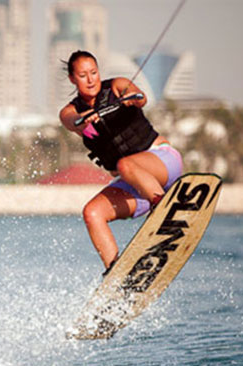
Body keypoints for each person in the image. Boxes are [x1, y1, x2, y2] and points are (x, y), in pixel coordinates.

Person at [59, 50, 184, 274]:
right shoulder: (70, 111)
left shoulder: (117, 85)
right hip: (136, 185)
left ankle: (163, 210)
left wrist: (131, 98)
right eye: (83, 75)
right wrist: (84, 119)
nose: (90, 79)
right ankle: (116, 274)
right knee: (92, 213)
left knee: (125, 165)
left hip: (163, 162)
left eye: (94, 73)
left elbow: (140, 96)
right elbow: (71, 120)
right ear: (72, 79)